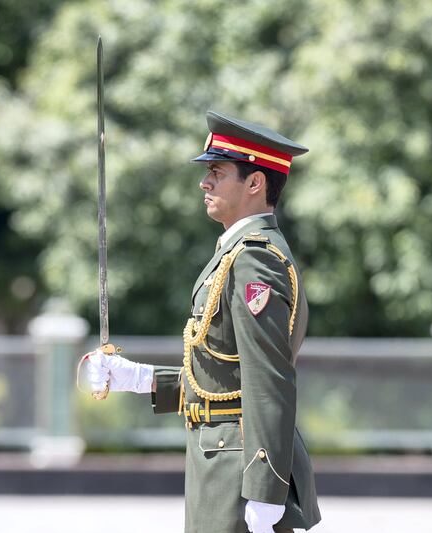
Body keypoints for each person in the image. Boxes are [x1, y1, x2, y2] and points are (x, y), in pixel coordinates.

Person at [85, 110, 321, 533]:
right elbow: (226, 379)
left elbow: (269, 381)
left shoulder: (255, 259)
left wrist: (265, 491)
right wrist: (141, 378)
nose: (204, 182)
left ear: (255, 183)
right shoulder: (236, 253)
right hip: (221, 461)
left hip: (238, 467)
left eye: (217, 171)